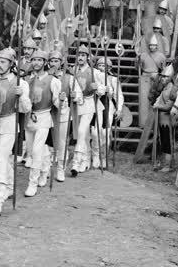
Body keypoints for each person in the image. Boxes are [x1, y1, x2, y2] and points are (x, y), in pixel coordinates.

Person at [0, 48, 31, 216]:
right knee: (0, 158)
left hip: (9, 123)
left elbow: (26, 108)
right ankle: (10, 186)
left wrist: (22, 96)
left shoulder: (20, 82)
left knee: (2, 160)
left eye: (3, 62)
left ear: (11, 64)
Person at [23, 49, 62, 196]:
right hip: (29, 117)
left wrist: (62, 100)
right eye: (34, 60)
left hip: (44, 117)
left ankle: (32, 183)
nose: (36, 62)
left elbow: (57, 104)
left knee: (37, 150)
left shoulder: (53, 81)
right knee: (31, 150)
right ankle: (45, 169)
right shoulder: (27, 80)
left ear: (45, 62)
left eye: (40, 60)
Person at [70, 45, 106, 175]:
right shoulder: (72, 70)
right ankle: (85, 160)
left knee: (81, 131)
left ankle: (76, 162)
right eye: (78, 55)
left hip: (89, 104)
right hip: (76, 105)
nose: (80, 57)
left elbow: (104, 88)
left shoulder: (94, 72)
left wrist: (97, 87)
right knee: (83, 135)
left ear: (87, 57)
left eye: (83, 55)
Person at [49, 50, 82, 181]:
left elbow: (79, 96)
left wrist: (75, 96)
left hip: (63, 114)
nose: (53, 63)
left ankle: (60, 168)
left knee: (61, 143)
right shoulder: (46, 76)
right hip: (48, 114)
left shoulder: (69, 78)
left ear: (61, 62)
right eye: (51, 61)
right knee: (48, 144)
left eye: (56, 61)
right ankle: (46, 168)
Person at [92, 56, 125, 169]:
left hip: (108, 106)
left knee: (105, 133)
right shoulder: (93, 77)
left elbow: (118, 95)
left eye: (104, 66)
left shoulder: (113, 79)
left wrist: (119, 109)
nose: (101, 67)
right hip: (96, 106)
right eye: (100, 65)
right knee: (95, 133)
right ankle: (95, 155)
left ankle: (104, 157)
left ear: (108, 68)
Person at [138, 35, 166, 125]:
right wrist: (137, 59)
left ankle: (153, 122)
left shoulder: (161, 56)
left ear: (157, 46)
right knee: (144, 100)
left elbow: (164, 69)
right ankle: (143, 122)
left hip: (155, 77)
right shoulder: (143, 55)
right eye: (150, 45)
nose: (152, 47)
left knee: (154, 98)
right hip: (145, 77)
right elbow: (138, 67)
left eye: (153, 45)